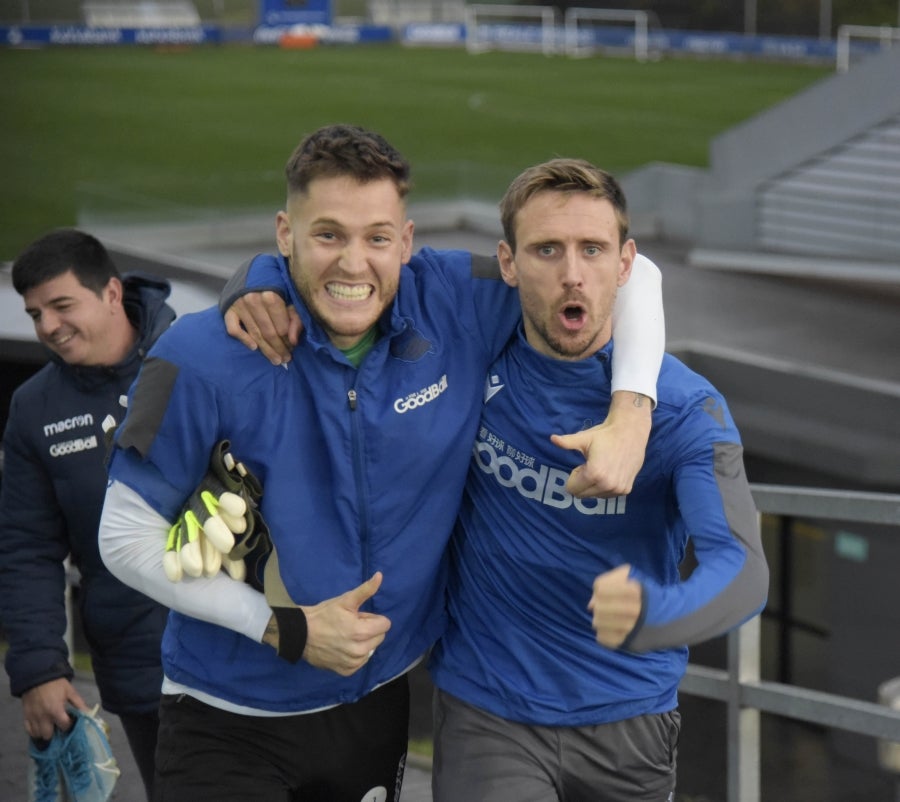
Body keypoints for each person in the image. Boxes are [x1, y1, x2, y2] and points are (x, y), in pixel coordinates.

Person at [97, 124, 665, 801]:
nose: (353, 263)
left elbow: (635, 273)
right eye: (327, 234)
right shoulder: (200, 353)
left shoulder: (453, 301)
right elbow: (121, 535)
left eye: (376, 238)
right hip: (228, 712)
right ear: (284, 234)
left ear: (407, 240)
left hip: (377, 703)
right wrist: (283, 626)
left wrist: (632, 412)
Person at [426, 158, 769, 801]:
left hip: (629, 719)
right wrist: (257, 279)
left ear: (626, 263)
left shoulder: (688, 409)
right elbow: (360, 265)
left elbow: (744, 570)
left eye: (592, 249)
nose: (571, 274)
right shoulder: (473, 351)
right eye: (546, 250)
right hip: (488, 710)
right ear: (508, 262)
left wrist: (655, 615)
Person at [0, 229, 173, 800]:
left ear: (112, 293)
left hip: (249, 644)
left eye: (61, 305)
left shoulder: (196, 354)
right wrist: (40, 670)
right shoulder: (34, 409)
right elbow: (27, 547)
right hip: (143, 665)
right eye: (34, 313)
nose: (47, 326)